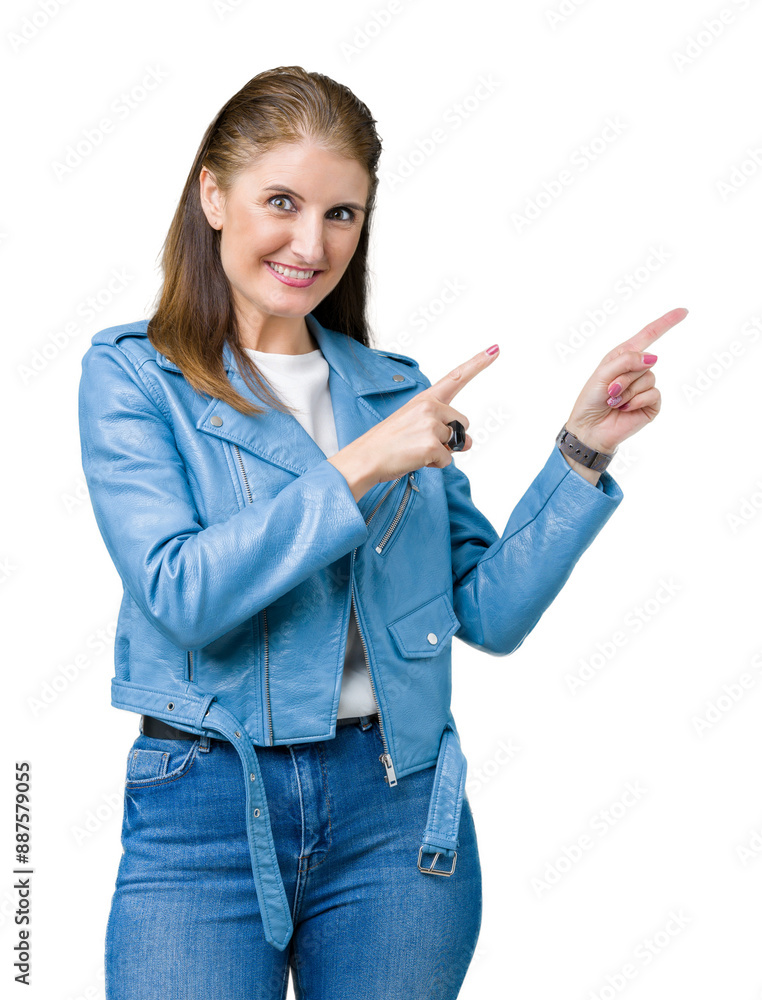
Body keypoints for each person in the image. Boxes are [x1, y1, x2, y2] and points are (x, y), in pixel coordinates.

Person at [77, 64, 688, 1000]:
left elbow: (487, 614)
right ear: (213, 194)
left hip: (396, 812)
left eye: (341, 214)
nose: (310, 242)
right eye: (281, 202)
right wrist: (361, 464)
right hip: (203, 803)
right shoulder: (135, 377)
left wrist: (584, 449)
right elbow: (181, 594)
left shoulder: (392, 389)